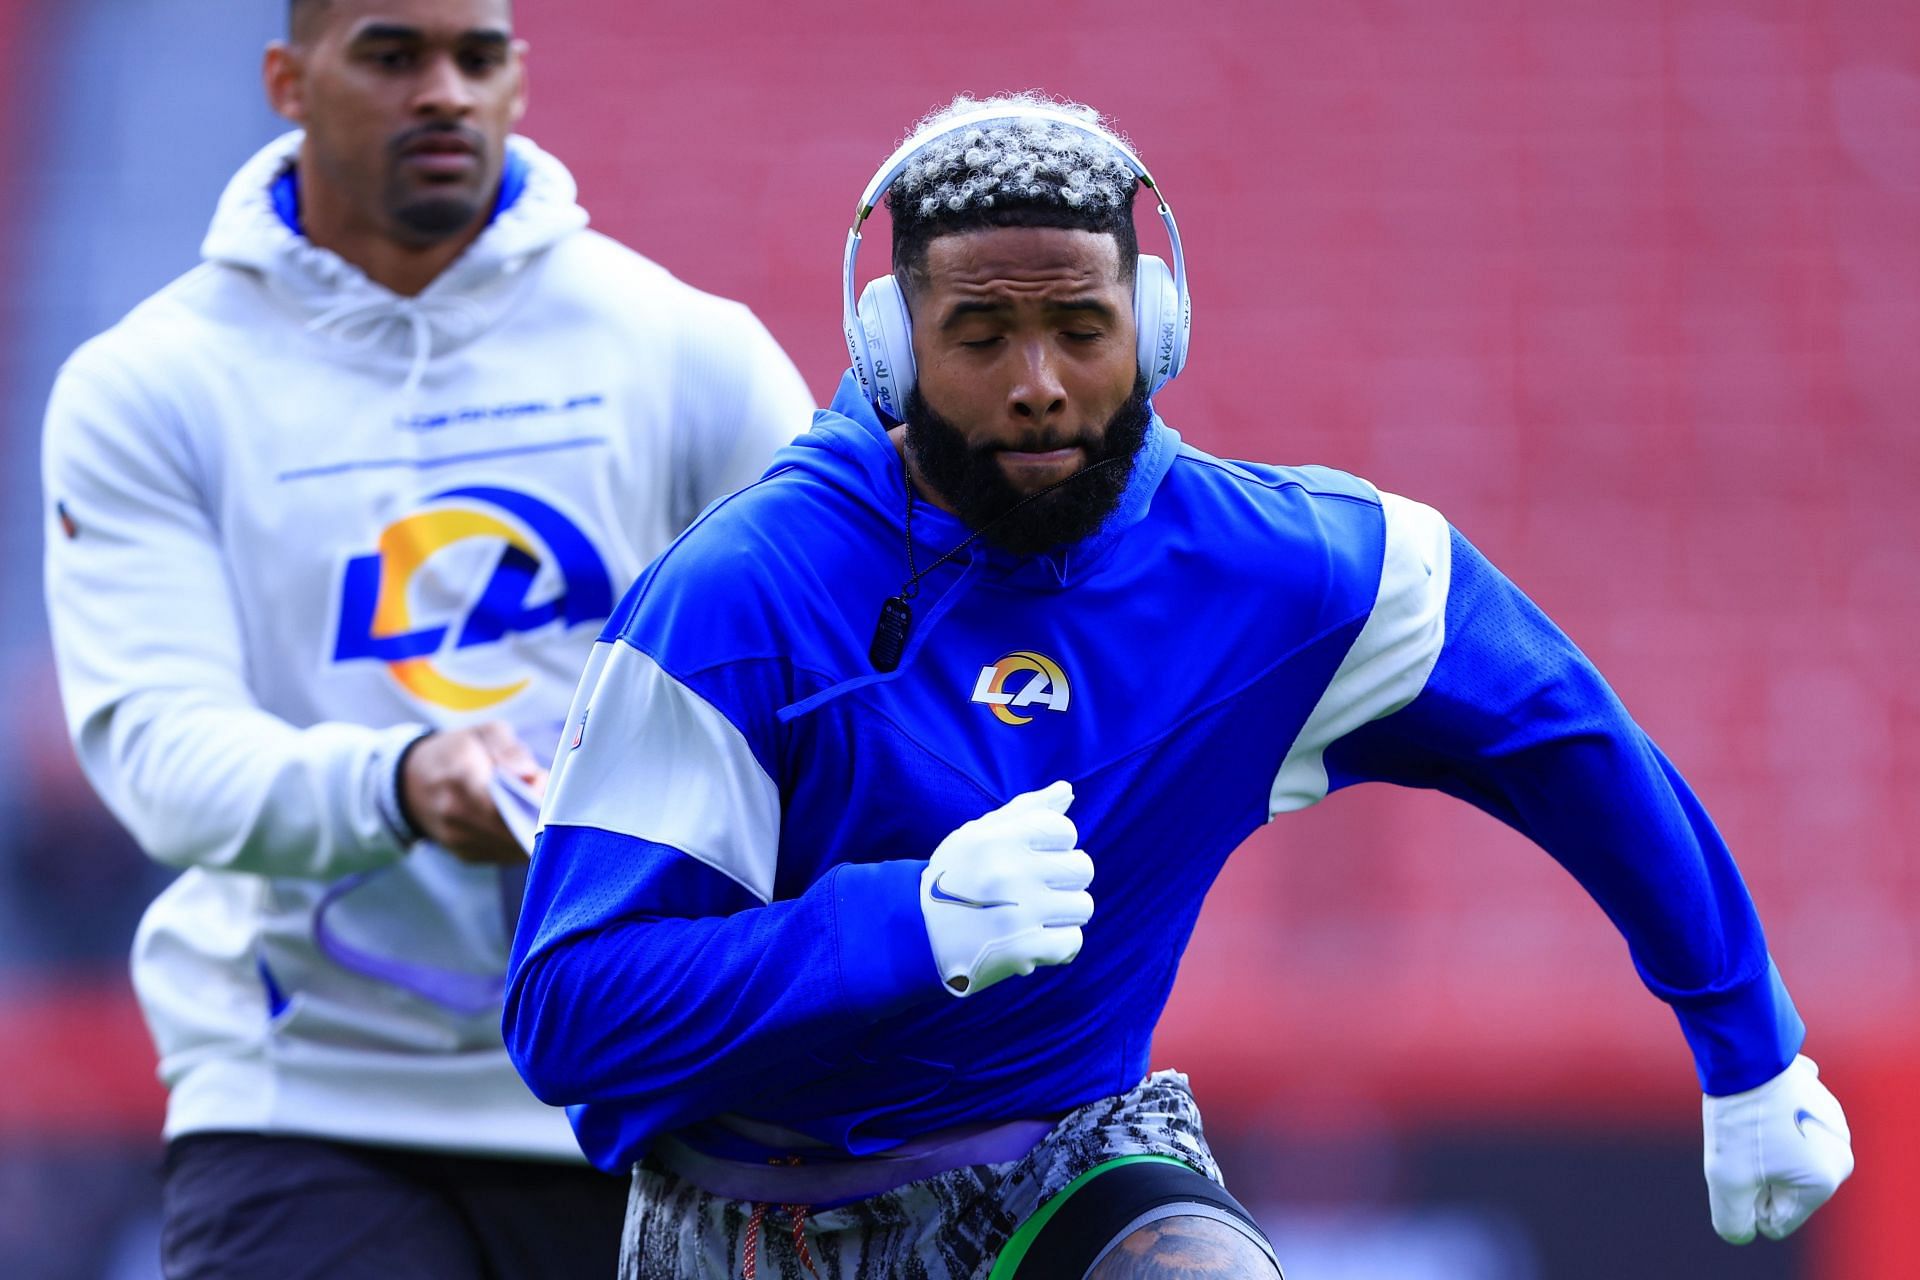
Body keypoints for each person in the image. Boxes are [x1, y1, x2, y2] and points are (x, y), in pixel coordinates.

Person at [502, 93, 1855, 1280]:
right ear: (889, 346)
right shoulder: (732, 601)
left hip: (1071, 1167)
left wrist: (1749, 1050)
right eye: (979, 335)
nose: (1039, 386)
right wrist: (902, 929)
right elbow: (572, 1016)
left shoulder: (1299, 575)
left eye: (1082, 327)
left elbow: (1569, 742)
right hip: (748, 1214)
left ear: (1153, 331)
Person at [41, 1, 814, 1275]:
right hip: (303, 1097)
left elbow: (833, 676)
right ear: (287, 79)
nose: (445, 91)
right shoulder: (151, 385)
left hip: (641, 1079)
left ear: (519, 76)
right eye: (394, 55)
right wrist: (398, 782)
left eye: (478, 56)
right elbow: (162, 753)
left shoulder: (685, 349)